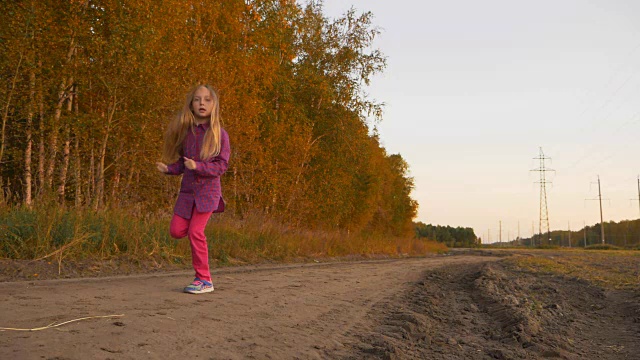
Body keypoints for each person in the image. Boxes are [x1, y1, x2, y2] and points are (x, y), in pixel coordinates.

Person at [156, 84, 230, 294]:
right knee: (177, 231)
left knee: (196, 232)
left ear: (214, 105)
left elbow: (221, 166)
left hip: (208, 194)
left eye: (207, 100)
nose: (202, 104)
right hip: (188, 193)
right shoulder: (187, 134)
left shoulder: (219, 135)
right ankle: (202, 276)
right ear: (191, 104)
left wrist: (199, 166)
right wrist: (168, 169)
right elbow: (182, 163)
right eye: (197, 100)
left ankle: (204, 279)